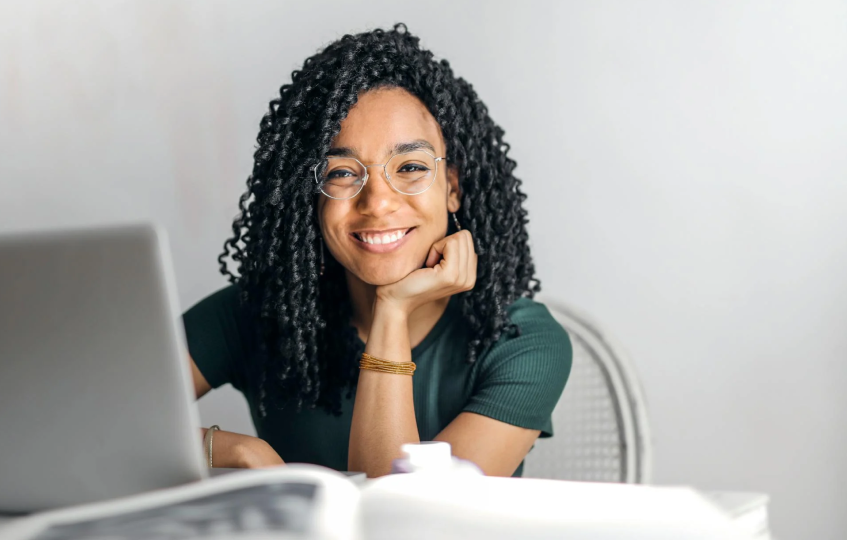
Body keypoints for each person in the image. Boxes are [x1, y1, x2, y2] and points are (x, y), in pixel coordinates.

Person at [184, 24, 572, 478]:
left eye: (409, 167)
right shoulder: (257, 312)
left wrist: (392, 309)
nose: (378, 202)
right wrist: (231, 449)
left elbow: (405, 521)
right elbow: (91, 420)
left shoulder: (521, 341)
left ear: (453, 187)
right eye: (343, 173)